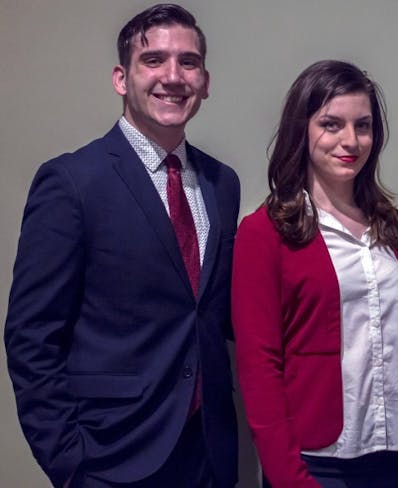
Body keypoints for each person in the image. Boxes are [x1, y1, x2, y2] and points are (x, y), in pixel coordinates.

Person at [4, 4, 240, 487]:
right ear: (120, 77)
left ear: (206, 81)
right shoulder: (71, 182)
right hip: (111, 456)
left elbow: (213, 313)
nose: (172, 76)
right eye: (152, 60)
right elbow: (31, 336)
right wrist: (70, 463)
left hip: (208, 455)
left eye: (188, 62)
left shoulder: (222, 184)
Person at [231, 60, 398, 487]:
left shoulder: (397, 228)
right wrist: (288, 477)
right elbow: (258, 367)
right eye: (331, 124)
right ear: (301, 130)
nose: (350, 140)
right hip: (318, 464)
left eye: (363, 125)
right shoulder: (263, 233)